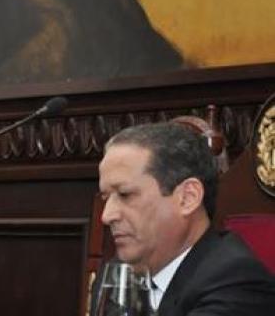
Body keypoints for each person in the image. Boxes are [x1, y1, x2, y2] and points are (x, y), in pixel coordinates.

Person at [98, 122, 275, 315]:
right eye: (106, 198)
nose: (106, 216)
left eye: (125, 195)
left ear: (188, 198)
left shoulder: (237, 282)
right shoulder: (118, 274)